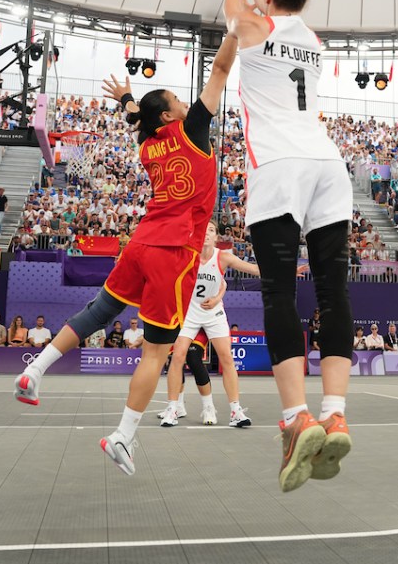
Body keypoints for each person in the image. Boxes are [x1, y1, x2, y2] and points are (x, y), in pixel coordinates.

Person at [14, 33, 236, 477]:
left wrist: (128, 98)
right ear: (172, 113)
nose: (182, 98)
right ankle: (123, 436)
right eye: (176, 97)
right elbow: (221, 71)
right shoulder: (192, 129)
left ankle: (34, 371)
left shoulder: (148, 144)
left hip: (140, 242)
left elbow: (139, 116)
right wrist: (234, 27)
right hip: (175, 252)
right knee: (156, 353)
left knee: (99, 311)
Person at [212, 0, 354, 492]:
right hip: (328, 166)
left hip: (279, 168)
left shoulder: (250, 24)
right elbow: (271, 9)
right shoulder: (312, 40)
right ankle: (335, 412)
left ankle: (297, 419)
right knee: (333, 293)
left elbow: (238, 14)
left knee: (277, 293)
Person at [158, 222, 252, 428]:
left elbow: (251, 269)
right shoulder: (187, 255)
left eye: (211, 230)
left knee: (226, 358)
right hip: (190, 314)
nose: (207, 233)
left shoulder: (223, 256)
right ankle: (173, 408)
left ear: (217, 237)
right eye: (204, 230)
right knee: (178, 355)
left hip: (214, 315)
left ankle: (236, 410)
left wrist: (285, 272)